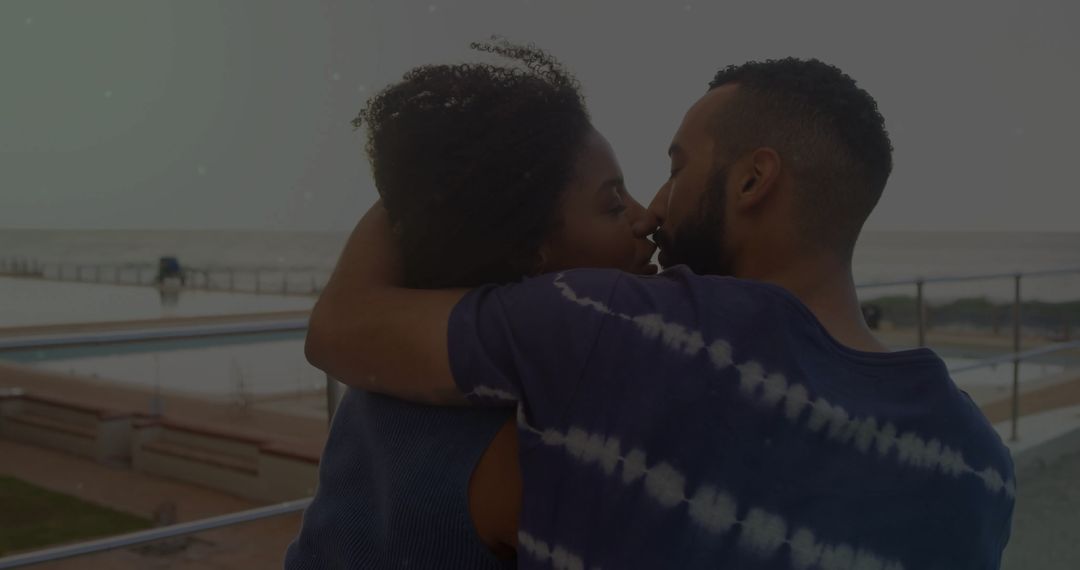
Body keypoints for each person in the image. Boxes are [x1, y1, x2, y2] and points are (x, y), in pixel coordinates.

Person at [306, 58, 1015, 569]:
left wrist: (439, 185)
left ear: (752, 180)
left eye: (677, 168)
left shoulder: (614, 328)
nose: (653, 210)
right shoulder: (979, 466)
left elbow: (343, 327)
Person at [285, 39, 657, 569]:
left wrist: (448, 180)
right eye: (614, 204)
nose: (647, 217)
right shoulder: (523, 445)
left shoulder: (389, 365)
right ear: (529, 249)